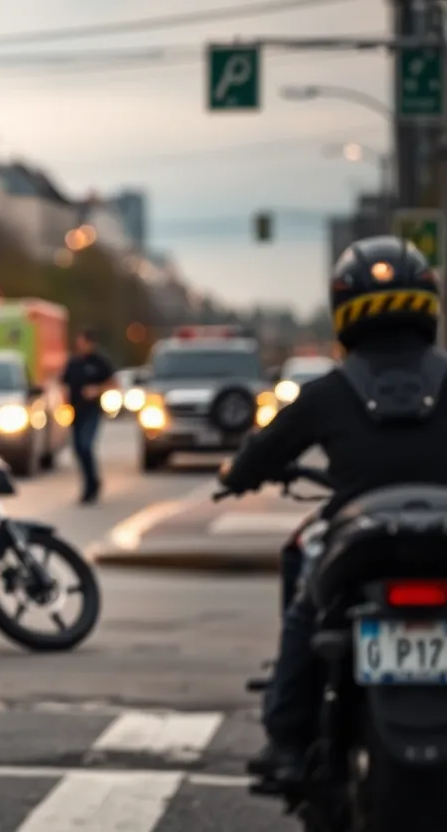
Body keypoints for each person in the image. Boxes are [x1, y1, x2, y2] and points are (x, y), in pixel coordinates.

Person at [217, 236, 447, 783]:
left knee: (308, 603)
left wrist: (235, 476)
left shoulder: (328, 392)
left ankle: (287, 737)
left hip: (358, 537)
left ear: (345, 312)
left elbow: (261, 454)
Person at [61, 329, 116, 504]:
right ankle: (90, 482)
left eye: (84, 342)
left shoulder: (99, 362)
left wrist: (96, 390)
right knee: (78, 449)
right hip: (75, 410)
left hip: (92, 410)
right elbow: (64, 383)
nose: (81, 345)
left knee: (86, 445)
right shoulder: (74, 362)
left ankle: (92, 485)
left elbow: (112, 382)